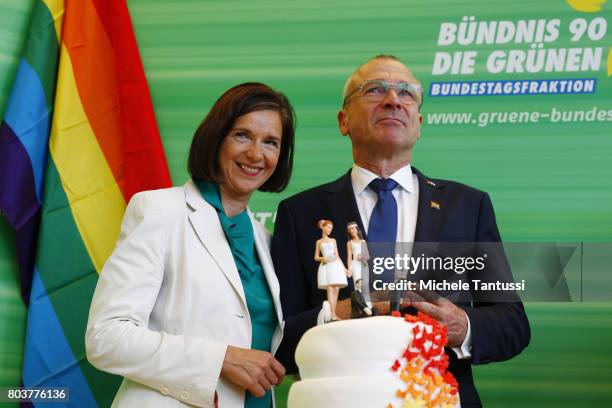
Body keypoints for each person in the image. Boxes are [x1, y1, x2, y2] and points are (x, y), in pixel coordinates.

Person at [272, 55, 530, 407]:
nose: (393, 100)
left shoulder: (468, 206)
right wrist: (337, 313)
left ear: (419, 124)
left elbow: (513, 325)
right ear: (343, 120)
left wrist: (462, 327)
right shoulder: (301, 213)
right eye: (375, 89)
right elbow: (276, 341)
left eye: (407, 94)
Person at [86, 82, 296, 408]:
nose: (256, 154)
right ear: (215, 138)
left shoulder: (267, 243)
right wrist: (221, 359)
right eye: (242, 135)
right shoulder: (159, 211)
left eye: (271, 142)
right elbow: (107, 338)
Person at [314, 219, 348, 321]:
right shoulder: (319, 242)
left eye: (331, 228)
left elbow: (337, 256)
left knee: (336, 287)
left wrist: (344, 268)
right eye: (328, 227)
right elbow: (316, 257)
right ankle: (332, 314)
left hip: (335, 265)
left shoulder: (333, 240)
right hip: (326, 266)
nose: (330, 230)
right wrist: (323, 258)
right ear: (323, 227)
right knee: (330, 288)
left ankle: (334, 313)